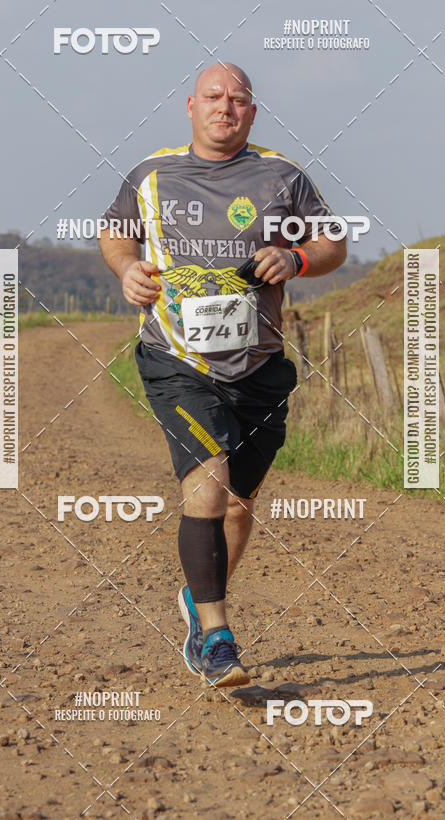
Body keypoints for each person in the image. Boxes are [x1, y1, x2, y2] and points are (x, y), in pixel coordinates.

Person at [99, 62, 346, 687]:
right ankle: (216, 637)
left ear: (252, 113)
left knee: (238, 506)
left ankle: (196, 597)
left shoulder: (283, 176)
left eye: (238, 100)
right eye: (214, 97)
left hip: (259, 365)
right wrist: (127, 268)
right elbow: (115, 233)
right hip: (177, 360)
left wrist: (296, 258)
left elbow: (334, 243)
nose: (225, 108)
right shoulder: (151, 175)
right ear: (191, 106)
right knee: (208, 487)